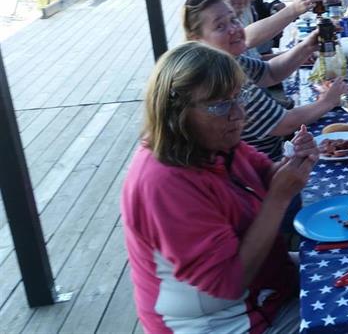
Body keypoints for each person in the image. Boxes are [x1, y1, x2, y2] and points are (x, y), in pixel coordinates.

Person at [121, 42, 318, 333]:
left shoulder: (214, 142)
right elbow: (229, 282)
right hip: (226, 321)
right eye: (220, 104)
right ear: (176, 112)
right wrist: (279, 198)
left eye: (239, 97)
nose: (239, 114)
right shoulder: (162, 183)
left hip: (266, 286)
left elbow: (264, 175)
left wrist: (292, 162)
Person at [183, 0, 348, 162]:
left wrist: (307, 46)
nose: (233, 29)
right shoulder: (219, 78)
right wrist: (328, 101)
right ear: (196, 39)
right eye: (220, 26)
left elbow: (269, 73)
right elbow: (285, 123)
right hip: (261, 169)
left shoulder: (229, 60)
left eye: (233, 19)